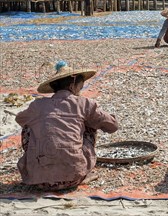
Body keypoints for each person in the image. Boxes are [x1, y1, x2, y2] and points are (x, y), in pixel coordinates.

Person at [15, 61, 119, 191]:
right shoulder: (84, 103)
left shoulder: (37, 105)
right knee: (89, 125)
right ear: (72, 86)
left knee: (29, 126)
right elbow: (112, 126)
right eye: (79, 88)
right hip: (74, 178)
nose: (79, 92)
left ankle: (41, 168)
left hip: (38, 180)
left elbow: (20, 119)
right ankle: (79, 167)